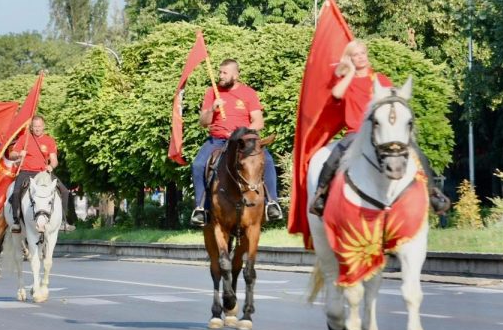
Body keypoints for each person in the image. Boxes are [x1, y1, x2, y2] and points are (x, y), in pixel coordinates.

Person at [308, 40, 450, 216]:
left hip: (380, 133)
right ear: (350, 59)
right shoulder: (346, 81)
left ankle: (434, 193)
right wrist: (350, 72)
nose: (361, 57)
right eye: (355, 55)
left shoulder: (380, 79)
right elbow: (336, 94)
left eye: (362, 53)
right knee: (335, 155)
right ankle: (321, 194)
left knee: (417, 152)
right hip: (355, 133)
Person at [190, 59, 282, 227]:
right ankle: (201, 208)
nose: (221, 76)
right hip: (217, 139)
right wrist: (212, 109)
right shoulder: (212, 92)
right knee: (198, 165)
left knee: (268, 161)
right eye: (220, 72)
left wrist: (242, 134)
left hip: (243, 140)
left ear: (236, 75)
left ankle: (272, 203)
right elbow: (203, 122)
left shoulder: (248, 93)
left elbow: (258, 122)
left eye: (225, 73)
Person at [7, 114, 74, 233]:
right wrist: (18, 154)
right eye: (35, 126)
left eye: (39, 126)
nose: (37, 129)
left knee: (64, 191)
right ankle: (16, 221)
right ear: (31, 127)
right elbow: (11, 155)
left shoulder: (49, 140)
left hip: (43, 172)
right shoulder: (24, 139)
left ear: (43, 126)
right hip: (26, 171)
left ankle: (63, 221)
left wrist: (51, 166)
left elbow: (54, 160)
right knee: (16, 192)